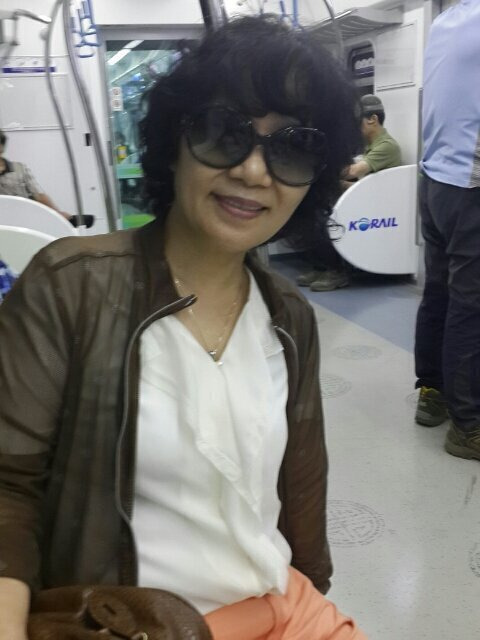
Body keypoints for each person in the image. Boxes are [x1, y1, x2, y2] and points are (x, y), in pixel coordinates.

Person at [0, 15, 367, 640]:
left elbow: (300, 489)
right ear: (175, 140)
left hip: (280, 601)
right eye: (225, 132)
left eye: (293, 147)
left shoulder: (288, 315)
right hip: (135, 623)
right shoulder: (70, 287)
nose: (254, 172)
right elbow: (7, 489)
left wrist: (309, 587)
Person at [414, 0, 480, 461]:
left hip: (435, 180)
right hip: (470, 186)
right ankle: (468, 425)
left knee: (438, 293)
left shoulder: (445, 21)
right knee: (470, 306)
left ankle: (432, 392)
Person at [297, 94, 401, 292]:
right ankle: (322, 266)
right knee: (313, 213)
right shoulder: (368, 146)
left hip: (380, 207)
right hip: (365, 198)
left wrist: (326, 167)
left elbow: (352, 172)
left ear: (373, 119)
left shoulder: (387, 146)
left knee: (325, 219)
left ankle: (337, 271)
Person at [0, 129, 94, 228]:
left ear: (2, 146)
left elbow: (38, 195)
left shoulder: (19, 169)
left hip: (25, 220)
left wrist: (57, 214)